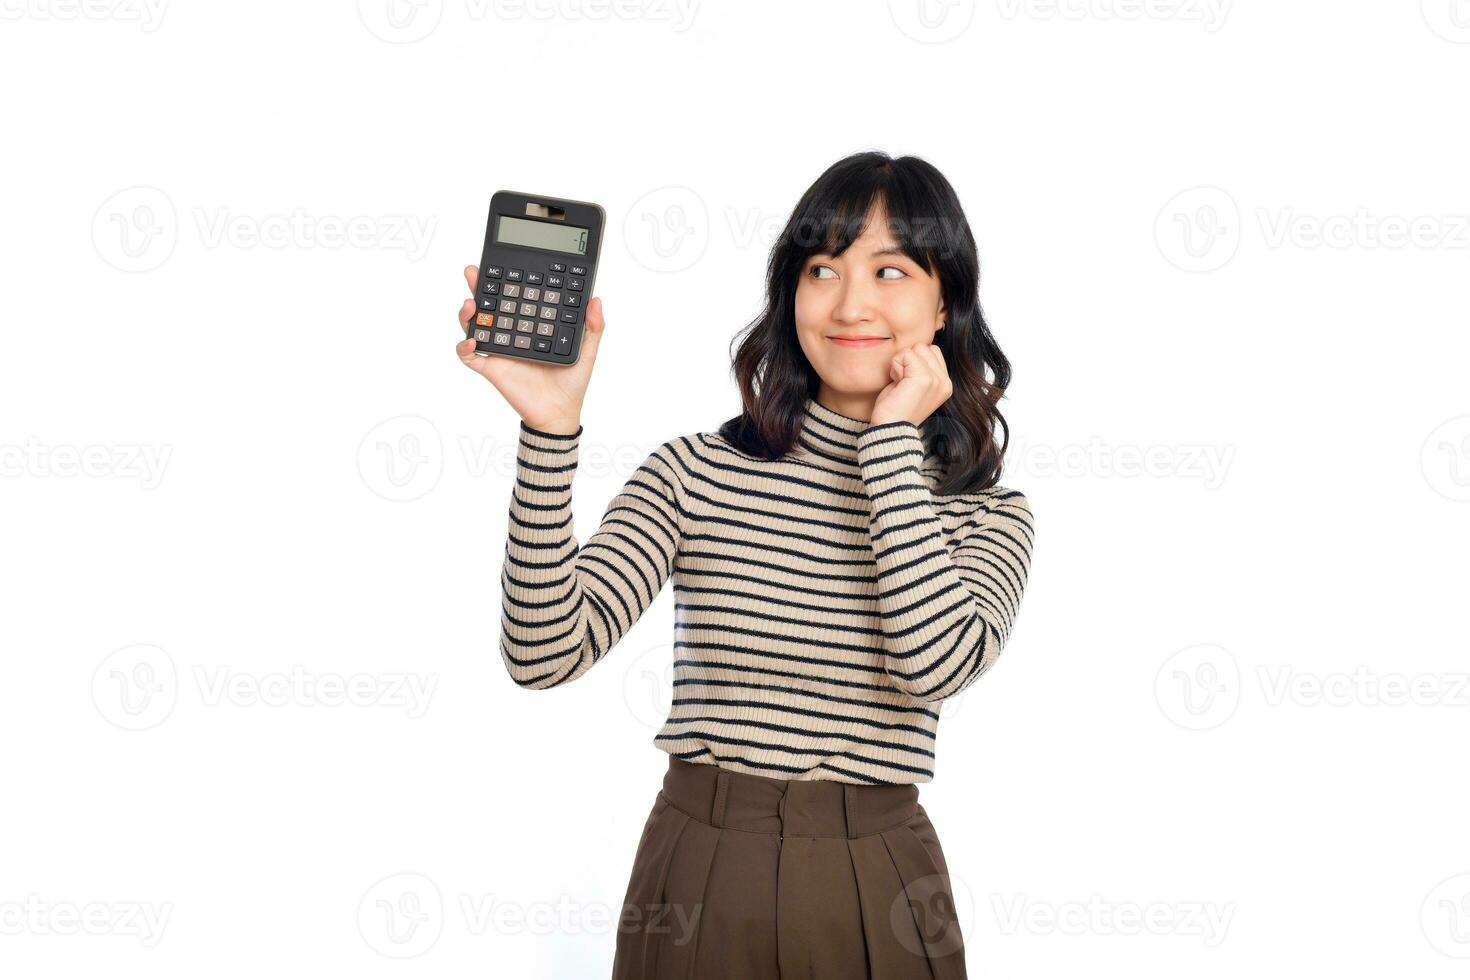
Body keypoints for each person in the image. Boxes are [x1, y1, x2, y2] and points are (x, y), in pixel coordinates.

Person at [454, 151, 1035, 979]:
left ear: (945, 300)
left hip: (882, 886)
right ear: (790, 292)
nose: (851, 303)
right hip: (700, 873)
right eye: (822, 268)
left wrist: (891, 450)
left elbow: (932, 664)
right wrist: (550, 434)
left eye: (891, 269)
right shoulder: (696, 471)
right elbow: (543, 654)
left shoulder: (985, 515)